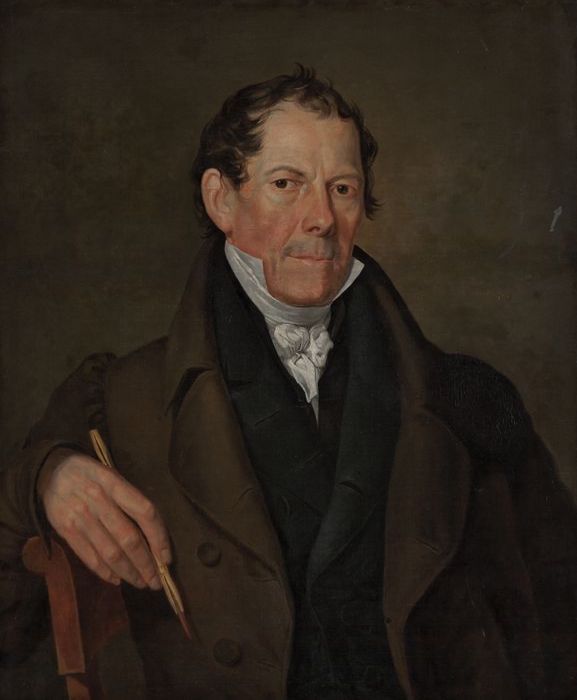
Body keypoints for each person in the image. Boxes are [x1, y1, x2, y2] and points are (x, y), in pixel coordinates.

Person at [1, 66, 577, 699]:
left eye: (342, 189)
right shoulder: (119, 400)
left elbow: (557, 613)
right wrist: (44, 478)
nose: (322, 218)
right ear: (222, 199)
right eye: (286, 184)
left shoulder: (468, 401)